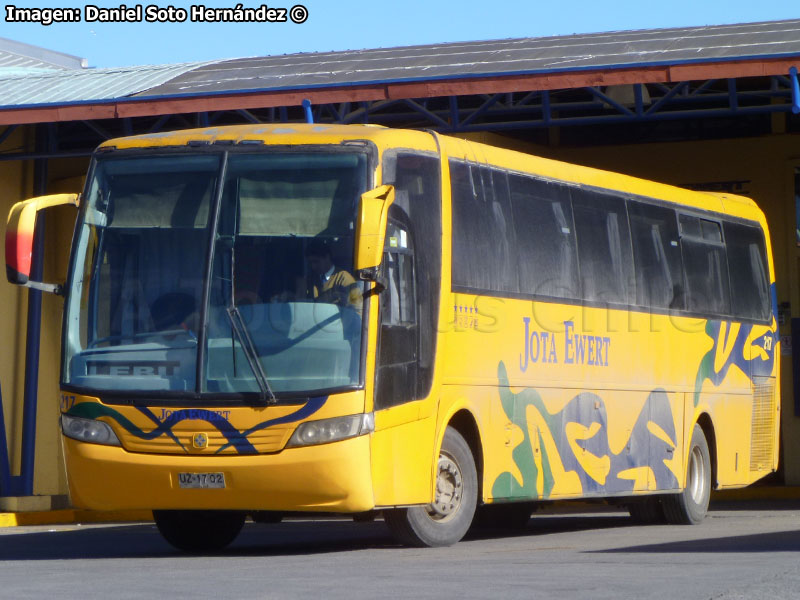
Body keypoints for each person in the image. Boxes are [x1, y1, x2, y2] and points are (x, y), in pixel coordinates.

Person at [304, 239, 362, 310]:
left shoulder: (344, 279)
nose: (313, 266)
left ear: (327, 257)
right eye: (310, 263)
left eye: (316, 262)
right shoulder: (311, 279)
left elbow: (357, 310)